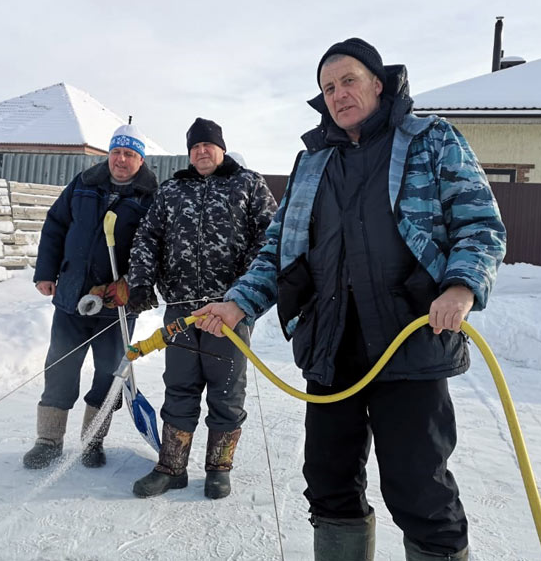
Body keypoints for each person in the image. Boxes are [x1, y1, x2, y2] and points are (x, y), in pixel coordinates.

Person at [193, 38, 506, 560]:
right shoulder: (312, 163)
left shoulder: (431, 139)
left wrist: (460, 286)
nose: (338, 94)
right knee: (328, 481)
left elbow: (479, 223)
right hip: (331, 345)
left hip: (411, 341)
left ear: (378, 83)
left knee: (418, 488)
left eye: (349, 81)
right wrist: (238, 303)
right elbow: (279, 249)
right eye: (328, 87)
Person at [126, 117, 277, 499]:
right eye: (195, 147)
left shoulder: (248, 184)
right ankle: (171, 466)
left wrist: (240, 297)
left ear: (221, 148)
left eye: (208, 145)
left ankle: (218, 468)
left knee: (226, 392)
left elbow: (270, 240)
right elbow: (148, 235)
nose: (201, 152)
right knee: (179, 387)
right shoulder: (172, 189)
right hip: (180, 308)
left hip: (227, 312)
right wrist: (141, 281)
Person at [25, 124, 158, 470]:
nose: (121, 159)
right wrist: (45, 272)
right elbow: (55, 225)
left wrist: (133, 282)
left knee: (107, 374)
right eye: (116, 152)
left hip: (116, 307)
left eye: (130, 154)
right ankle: (48, 440)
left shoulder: (151, 197)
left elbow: (158, 248)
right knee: (60, 367)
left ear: (141, 160)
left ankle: (93, 440)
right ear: (109, 154)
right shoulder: (84, 184)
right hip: (72, 297)